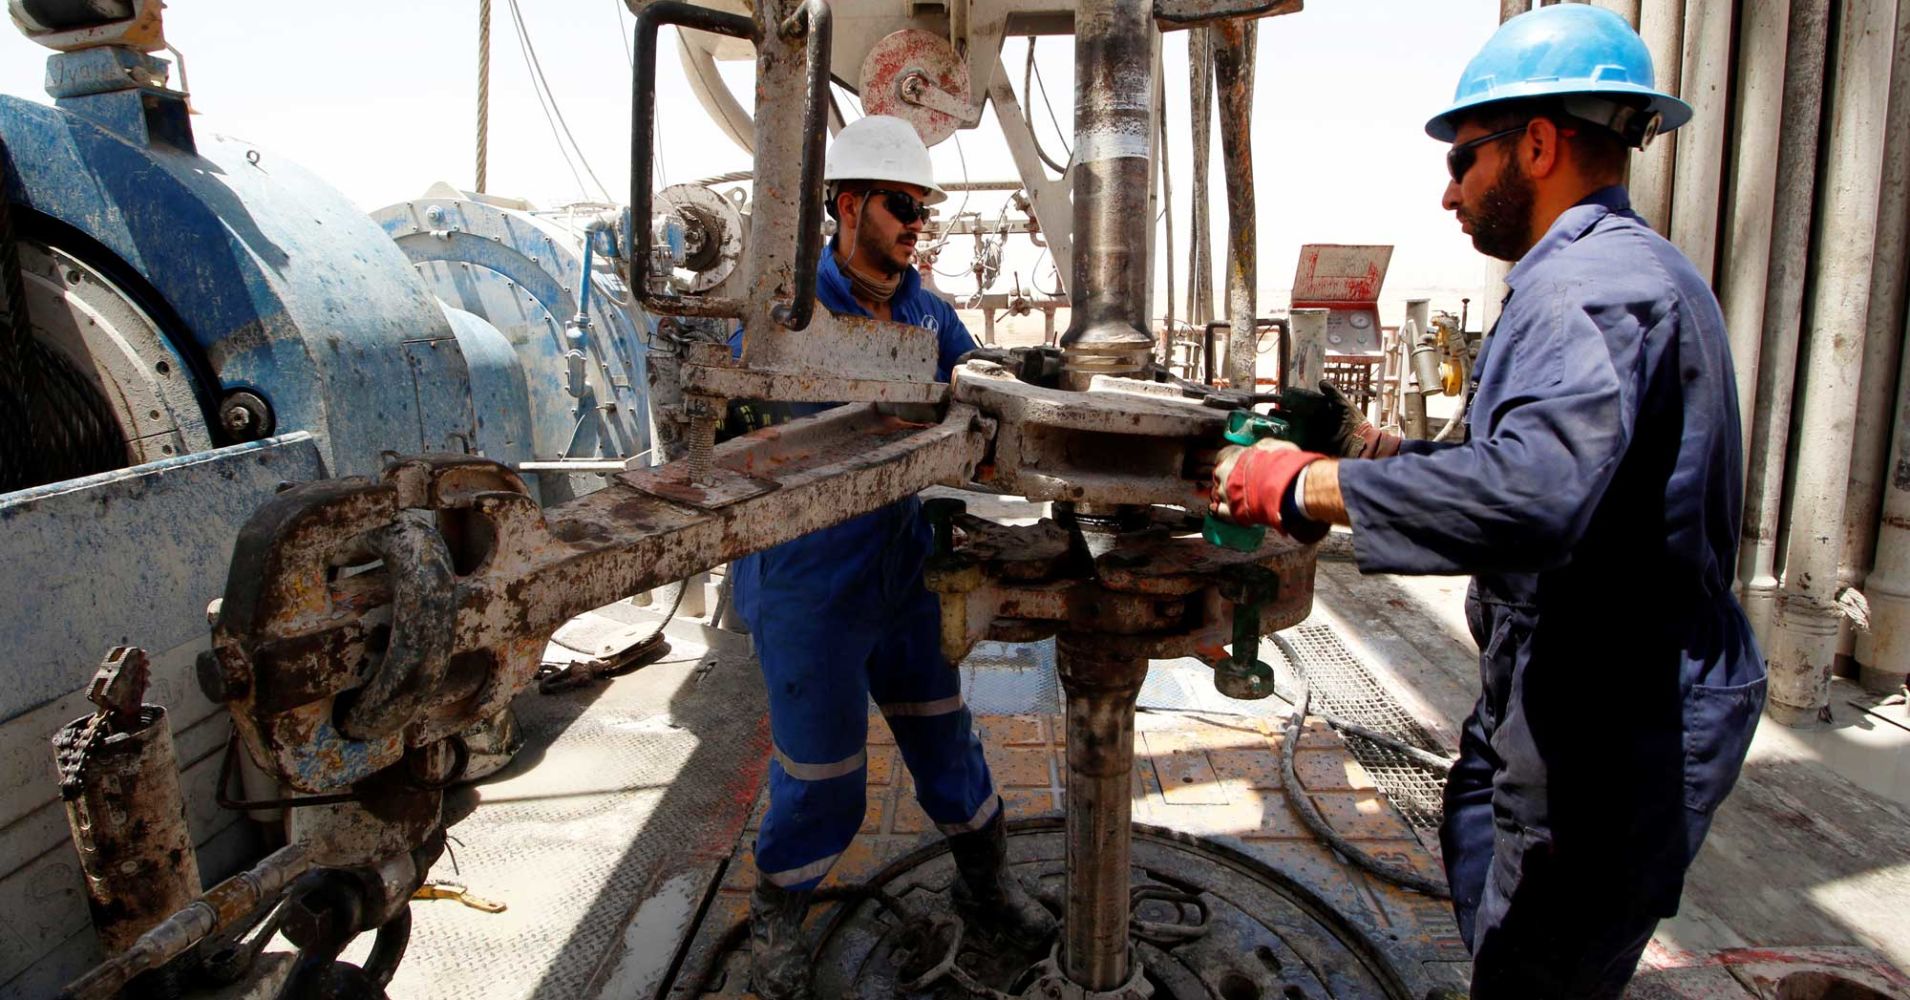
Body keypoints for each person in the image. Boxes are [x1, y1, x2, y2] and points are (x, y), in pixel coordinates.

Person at [1211, 7, 1765, 998]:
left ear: (1540, 144)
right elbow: (1528, 469)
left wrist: (1298, 484)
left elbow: (1529, 496)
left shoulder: (1584, 295)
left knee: (1534, 971)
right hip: (1578, 698)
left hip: (1608, 734)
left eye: (1465, 158)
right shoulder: (1615, 273)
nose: (1447, 191)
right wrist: (1353, 440)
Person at [727, 114, 1057, 1000]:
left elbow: (977, 391)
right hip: (806, 582)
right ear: (848, 205)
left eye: (924, 210)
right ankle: (776, 923)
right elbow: (737, 441)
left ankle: (987, 889)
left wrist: (1028, 385)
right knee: (824, 777)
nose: (918, 223)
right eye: (904, 206)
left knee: (947, 740)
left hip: (900, 569)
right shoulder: (786, 313)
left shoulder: (924, 310)